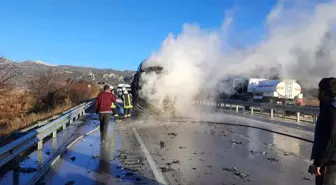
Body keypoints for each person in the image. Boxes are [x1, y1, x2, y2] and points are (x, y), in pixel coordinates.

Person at [309, 77, 336, 185]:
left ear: (325, 91)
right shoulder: (329, 108)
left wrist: (319, 162)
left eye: (320, 89)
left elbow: (331, 138)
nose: (318, 92)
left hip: (331, 161)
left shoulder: (331, 109)